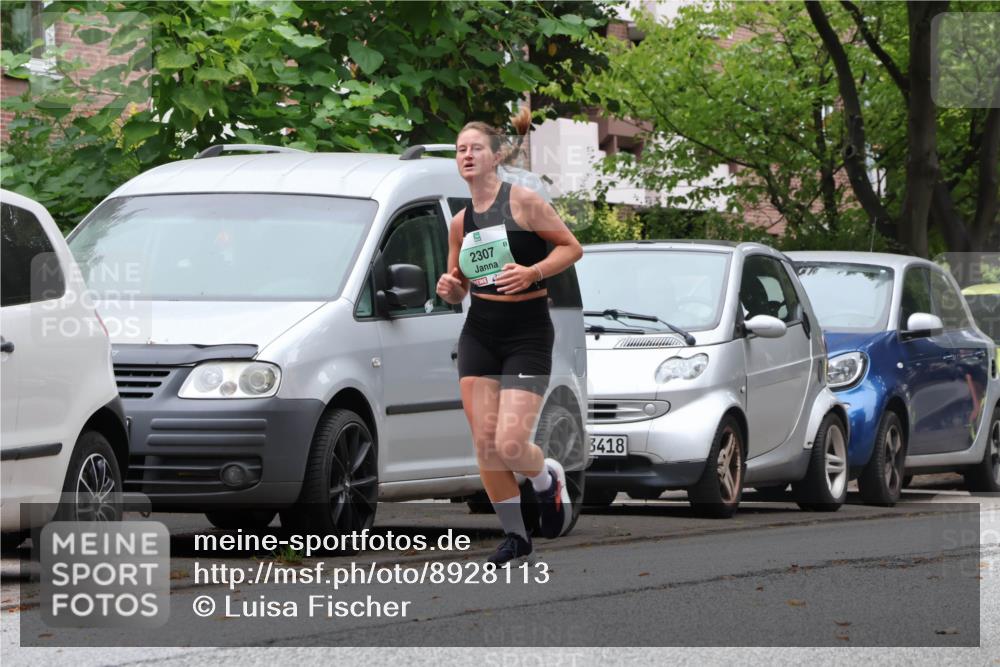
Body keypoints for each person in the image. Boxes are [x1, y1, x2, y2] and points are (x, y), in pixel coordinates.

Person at [436, 115, 584, 566]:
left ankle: (546, 479)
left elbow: (571, 247)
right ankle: (516, 536)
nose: (466, 155)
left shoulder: (523, 201)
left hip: (528, 331)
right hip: (480, 330)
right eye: (460, 149)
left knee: (511, 443)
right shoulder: (460, 221)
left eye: (475, 148)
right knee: (485, 442)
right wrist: (451, 289)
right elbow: (460, 282)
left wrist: (533, 271)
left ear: (496, 156)